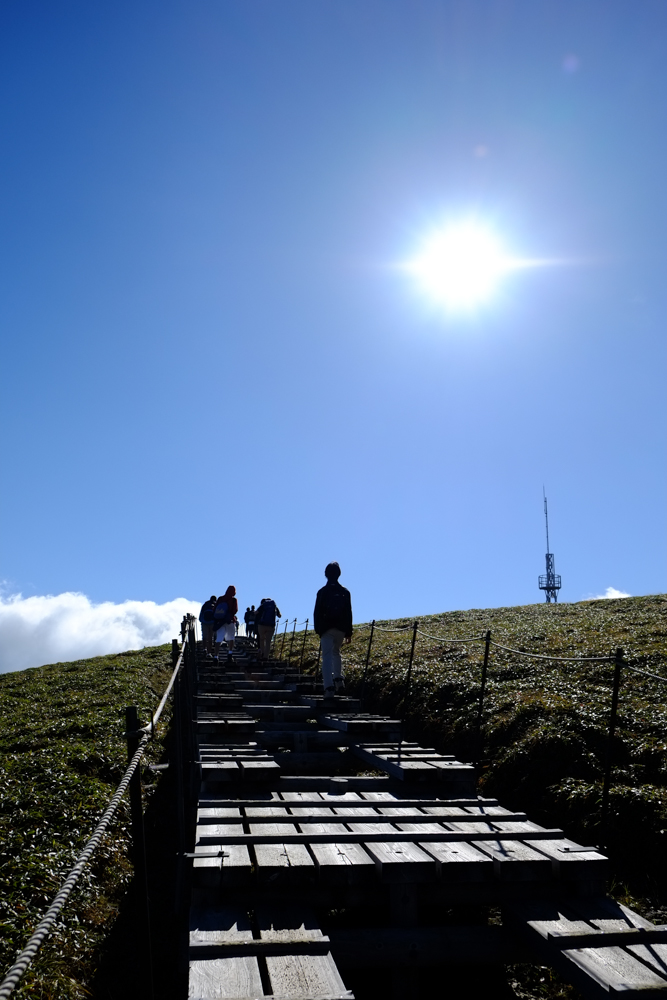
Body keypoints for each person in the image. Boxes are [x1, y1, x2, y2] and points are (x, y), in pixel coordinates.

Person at [314, 562, 352, 704]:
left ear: (326, 574)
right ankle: (338, 679)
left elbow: (317, 612)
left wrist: (319, 629)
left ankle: (328, 687)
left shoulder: (322, 592)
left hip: (326, 628)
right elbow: (348, 612)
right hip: (341, 628)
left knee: (327, 655)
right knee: (336, 652)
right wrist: (348, 632)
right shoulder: (345, 592)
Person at [214, 586, 238, 663]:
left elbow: (214, 609)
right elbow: (235, 610)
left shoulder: (220, 599)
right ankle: (230, 654)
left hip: (220, 622)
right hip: (230, 621)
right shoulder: (233, 600)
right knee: (231, 638)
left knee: (218, 639)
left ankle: (216, 656)